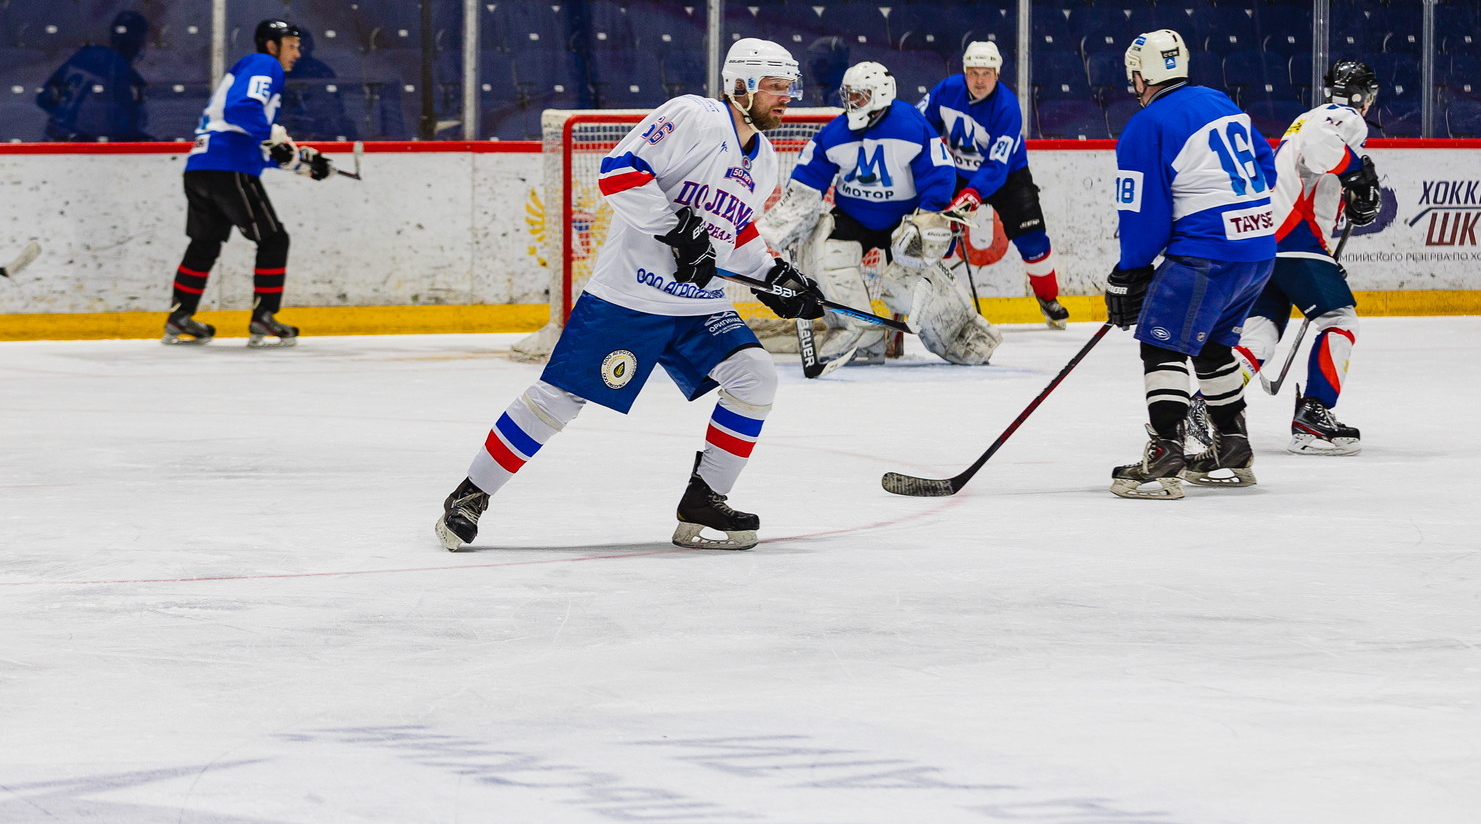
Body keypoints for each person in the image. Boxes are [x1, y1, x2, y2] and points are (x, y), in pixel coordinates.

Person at [434, 38, 827, 554]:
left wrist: (776, 276)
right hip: (630, 296)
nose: (786, 97)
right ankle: (470, 494)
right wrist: (676, 228)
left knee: (754, 375)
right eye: (775, 86)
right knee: (558, 399)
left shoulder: (766, 159)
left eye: (789, 87)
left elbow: (740, 231)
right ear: (740, 85)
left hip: (698, 305)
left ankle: (704, 498)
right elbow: (619, 172)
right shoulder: (695, 117)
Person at [1103, 29, 1277, 499]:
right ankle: (1232, 447)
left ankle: (1165, 454)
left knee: (1161, 344)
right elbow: (1266, 166)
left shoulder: (1147, 124)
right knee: (1213, 347)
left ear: (1143, 75)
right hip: (1258, 251)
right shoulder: (1219, 101)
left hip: (1209, 253)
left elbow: (1143, 211)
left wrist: (1131, 269)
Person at [761, 59, 999, 375]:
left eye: (859, 96)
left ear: (880, 94)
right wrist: (787, 221)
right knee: (827, 254)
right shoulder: (836, 132)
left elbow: (939, 172)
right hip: (852, 215)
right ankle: (862, 336)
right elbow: (809, 178)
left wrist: (930, 216)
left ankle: (958, 335)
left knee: (909, 278)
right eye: (848, 95)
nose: (851, 103)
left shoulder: (910, 125)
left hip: (905, 220)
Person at [1235, 59, 1382, 455]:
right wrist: (1356, 173)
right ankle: (1314, 416)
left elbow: (1312, 171)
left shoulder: (1306, 118)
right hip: (1293, 234)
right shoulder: (1345, 117)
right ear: (1363, 95)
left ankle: (1204, 407)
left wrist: (1351, 192)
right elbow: (1321, 150)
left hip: (1264, 235)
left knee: (1260, 332)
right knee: (1339, 319)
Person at [164, 18, 332, 347]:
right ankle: (264, 317)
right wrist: (278, 144)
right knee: (274, 240)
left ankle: (179, 316)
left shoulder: (248, 72)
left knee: (204, 244)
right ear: (271, 46)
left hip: (201, 166)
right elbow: (241, 109)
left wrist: (301, 164)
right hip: (228, 168)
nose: (297, 54)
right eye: (291, 46)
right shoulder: (264, 64)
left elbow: (251, 140)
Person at [918, 40, 1070, 328]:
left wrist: (970, 196)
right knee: (936, 235)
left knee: (1032, 238)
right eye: (973, 73)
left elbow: (997, 166)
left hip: (1007, 177)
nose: (979, 80)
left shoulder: (1007, 107)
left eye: (986, 74)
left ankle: (1048, 298)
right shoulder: (946, 90)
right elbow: (920, 124)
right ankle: (926, 299)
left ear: (997, 74)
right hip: (957, 172)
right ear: (964, 73)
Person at [36, 10, 150, 142]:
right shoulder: (124, 72)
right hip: (84, 146)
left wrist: (63, 119)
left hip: (54, 139)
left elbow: (43, 98)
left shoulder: (84, 54)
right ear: (138, 43)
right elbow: (129, 127)